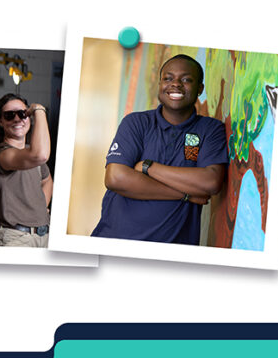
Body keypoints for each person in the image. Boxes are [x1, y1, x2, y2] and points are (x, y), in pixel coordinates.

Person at [91, 54, 228, 244]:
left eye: (186, 79)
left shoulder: (210, 130)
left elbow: (211, 182)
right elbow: (116, 178)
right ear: (160, 85)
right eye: (168, 78)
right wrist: (186, 195)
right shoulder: (136, 123)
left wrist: (149, 167)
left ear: (200, 89)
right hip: (114, 240)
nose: (176, 84)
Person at [0, 94, 52, 247]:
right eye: (9, 115)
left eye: (23, 114)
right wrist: (39, 110)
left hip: (43, 236)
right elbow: (41, 155)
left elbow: (47, 181)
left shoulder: (30, 151)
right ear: (1, 122)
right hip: (15, 238)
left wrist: (39, 209)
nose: (17, 119)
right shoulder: (2, 153)